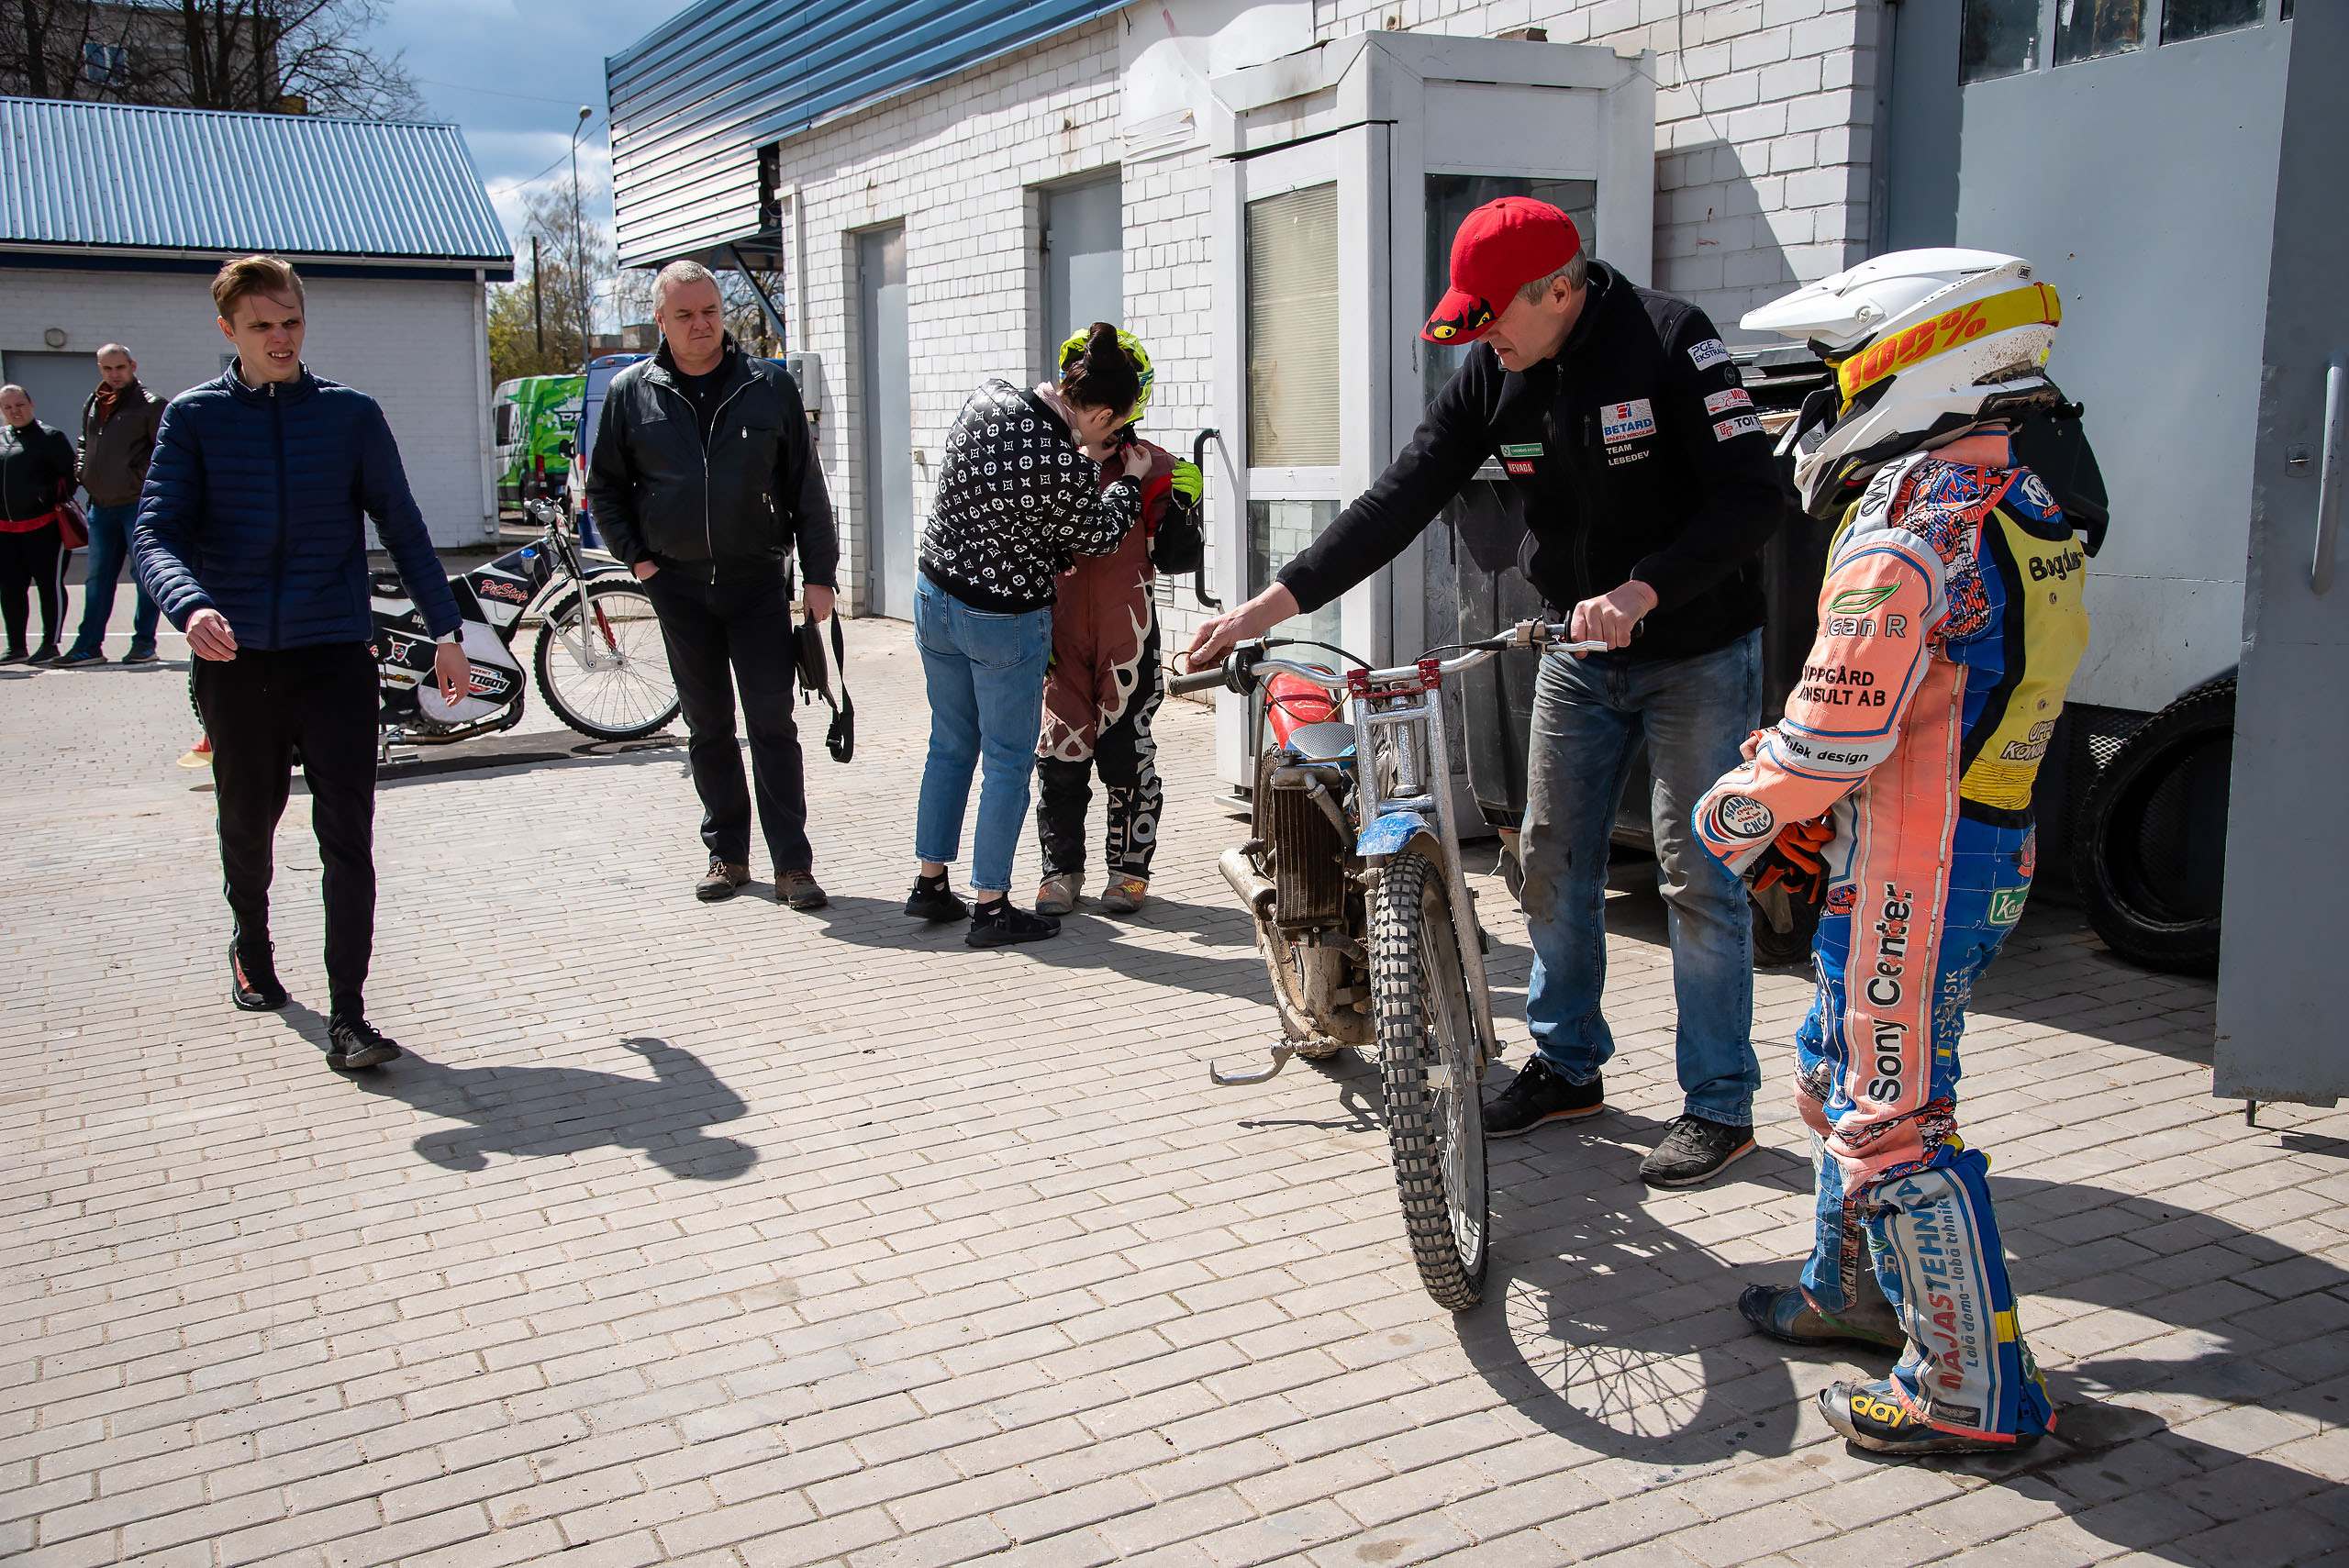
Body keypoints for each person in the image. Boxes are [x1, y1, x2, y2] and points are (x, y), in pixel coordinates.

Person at [1187, 198, 1783, 1186]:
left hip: (1697, 650)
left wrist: (1646, 588)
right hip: (1575, 653)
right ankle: (1567, 1066)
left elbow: (1755, 495)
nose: (1485, 337)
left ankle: (1719, 1104)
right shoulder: (1496, 370)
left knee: (1697, 876)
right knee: (1549, 860)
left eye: (1495, 314)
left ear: (1562, 290)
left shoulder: (1671, 340)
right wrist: (1267, 605)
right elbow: (1400, 495)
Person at [1693, 250, 2082, 1456]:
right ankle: (1850, 1292)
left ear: (1919, 360)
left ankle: (1969, 1392)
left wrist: (1733, 810)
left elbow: (1830, 738)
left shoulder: (1909, 528)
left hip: (1916, 861)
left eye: (1842, 367)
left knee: (1891, 1117)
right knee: (1835, 1067)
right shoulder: (2017, 495)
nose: (1826, 396)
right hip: (1977, 841)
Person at [134, 254, 471, 1073]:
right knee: (249, 823)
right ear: (229, 329)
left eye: (291, 321)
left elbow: (402, 525)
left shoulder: (350, 415)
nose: (281, 338)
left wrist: (447, 630)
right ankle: (251, 942)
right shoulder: (193, 418)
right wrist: (189, 604)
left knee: (347, 834)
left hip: (334, 656)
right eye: (262, 326)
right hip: (238, 658)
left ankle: (350, 1016)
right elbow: (154, 532)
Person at [585, 260, 839, 911]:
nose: (701, 325)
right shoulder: (630, 393)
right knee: (708, 727)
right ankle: (727, 854)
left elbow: (805, 487)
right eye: (685, 315)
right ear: (660, 321)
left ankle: (793, 866)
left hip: (756, 583)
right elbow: (604, 490)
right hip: (678, 588)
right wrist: (639, 562)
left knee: (772, 723)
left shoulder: (768, 386)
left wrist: (820, 575)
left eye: (710, 312)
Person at [905, 321, 1145, 947]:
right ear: (1100, 413)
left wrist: (1078, 460)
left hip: (934, 596)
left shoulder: (988, 396)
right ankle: (991, 906)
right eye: (1115, 425)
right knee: (1008, 762)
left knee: (949, 745)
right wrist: (1126, 481)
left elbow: (1005, 497)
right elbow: (1098, 534)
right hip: (1001, 620)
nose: (1113, 436)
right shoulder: (1064, 465)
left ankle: (931, 883)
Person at [1033, 328, 1201, 918]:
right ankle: (1060, 871)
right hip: (1059, 641)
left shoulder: (1154, 466)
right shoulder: (1050, 461)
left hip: (1127, 641)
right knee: (1059, 754)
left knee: (1126, 756)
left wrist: (1184, 506)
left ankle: (1129, 872)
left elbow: (1179, 558)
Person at [55, 344, 167, 667]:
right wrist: (82, 471)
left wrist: (135, 479)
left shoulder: (151, 404)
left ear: (132, 365)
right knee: (97, 580)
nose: (114, 374)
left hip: (136, 505)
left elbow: (164, 453)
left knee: (144, 576)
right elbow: (84, 441)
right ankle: (88, 646)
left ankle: (144, 643)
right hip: (100, 506)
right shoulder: (94, 402)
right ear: (100, 369)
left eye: (120, 367)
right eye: (107, 368)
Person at [0, 384, 79, 665]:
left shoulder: (51, 437)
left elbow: (71, 478)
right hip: (6, 531)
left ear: (31, 405)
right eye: (8, 407)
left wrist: (42, 494)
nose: (15, 411)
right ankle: (16, 646)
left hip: (45, 528)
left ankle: (50, 644)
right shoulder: (1, 437)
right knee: (10, 588)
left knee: (49, 586)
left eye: (20, 405)